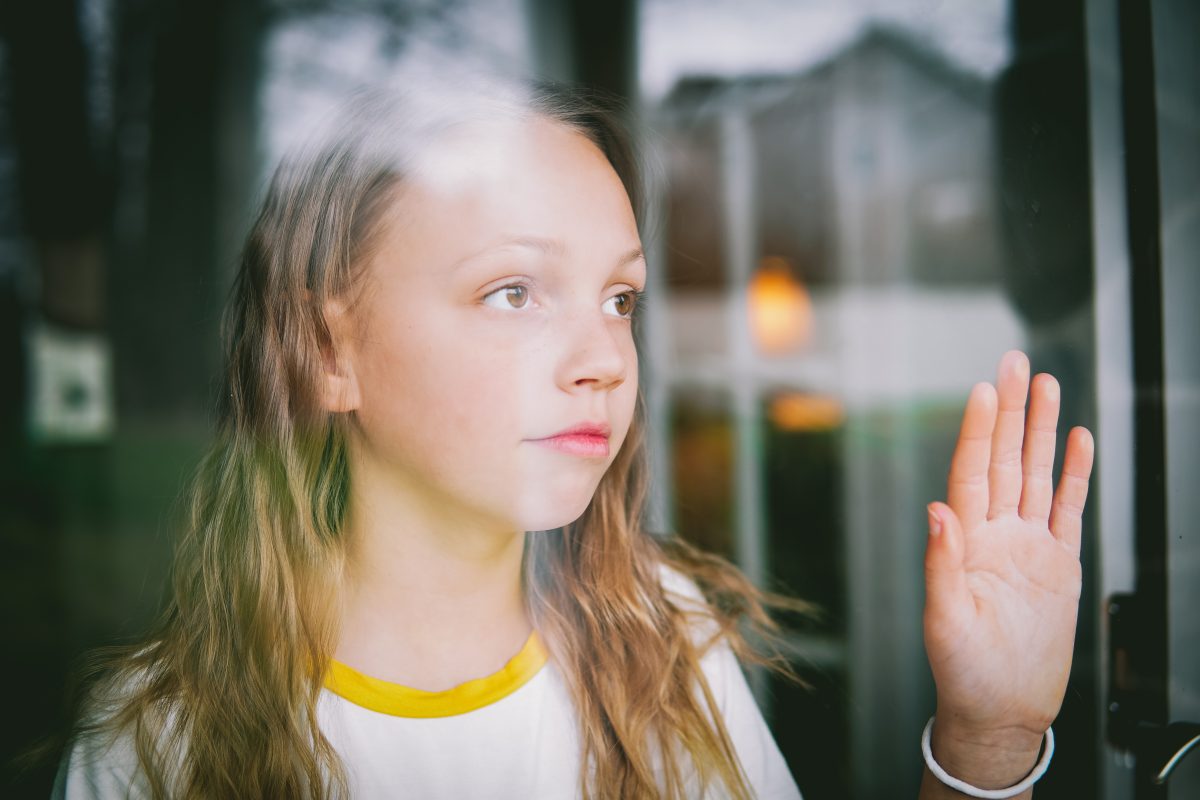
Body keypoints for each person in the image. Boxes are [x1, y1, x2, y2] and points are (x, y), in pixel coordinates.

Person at [52, 73, 1094, 800]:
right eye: (514, 290)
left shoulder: (666, 647)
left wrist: (987, 737)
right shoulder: (154, 738)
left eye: (621, 296)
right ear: (332, 353)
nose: (604, 354)